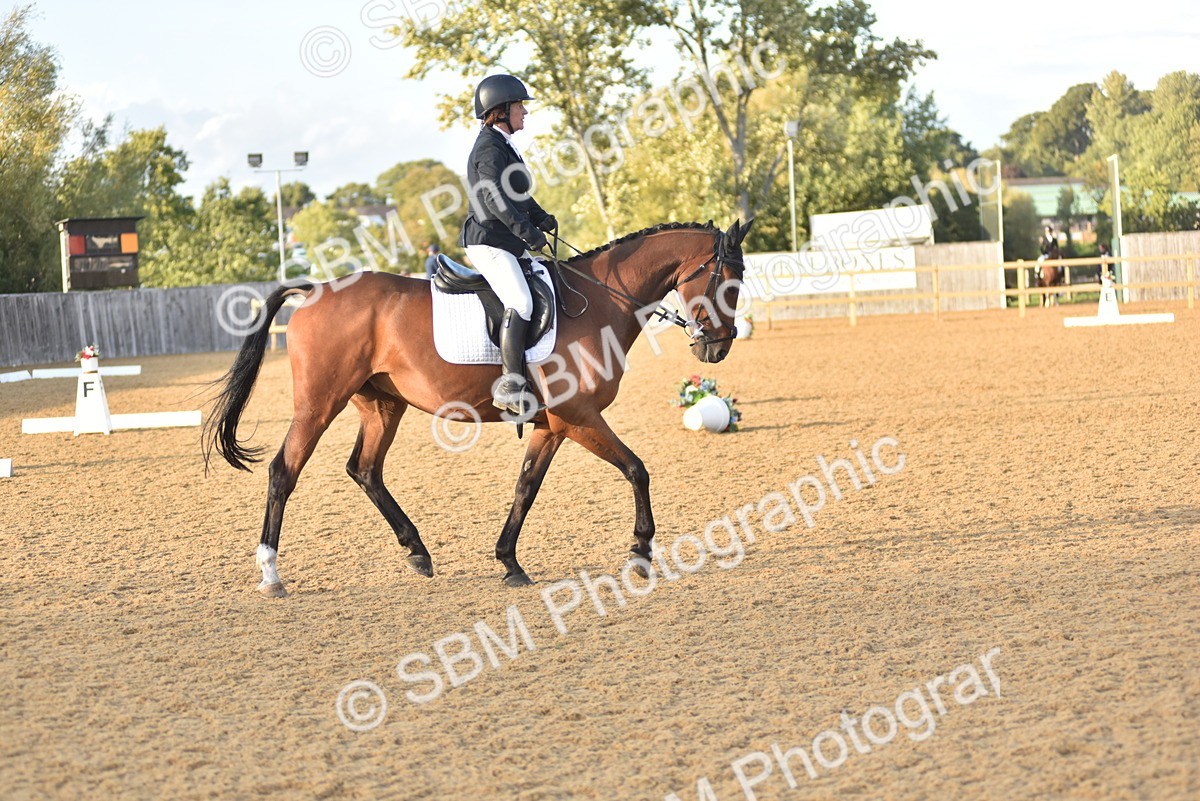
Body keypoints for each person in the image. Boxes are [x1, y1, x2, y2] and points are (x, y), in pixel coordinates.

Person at [460, 74, 557, 418]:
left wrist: (540, 217)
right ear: (500, 111)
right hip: (489, 241)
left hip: (505, 241)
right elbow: (494, 198)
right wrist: (527, 232)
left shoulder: (501, 144)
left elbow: (516, 193)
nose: (525, 113)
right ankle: (511, 387)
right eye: (520, 107)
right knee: (521, 301)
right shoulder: (488, 147)